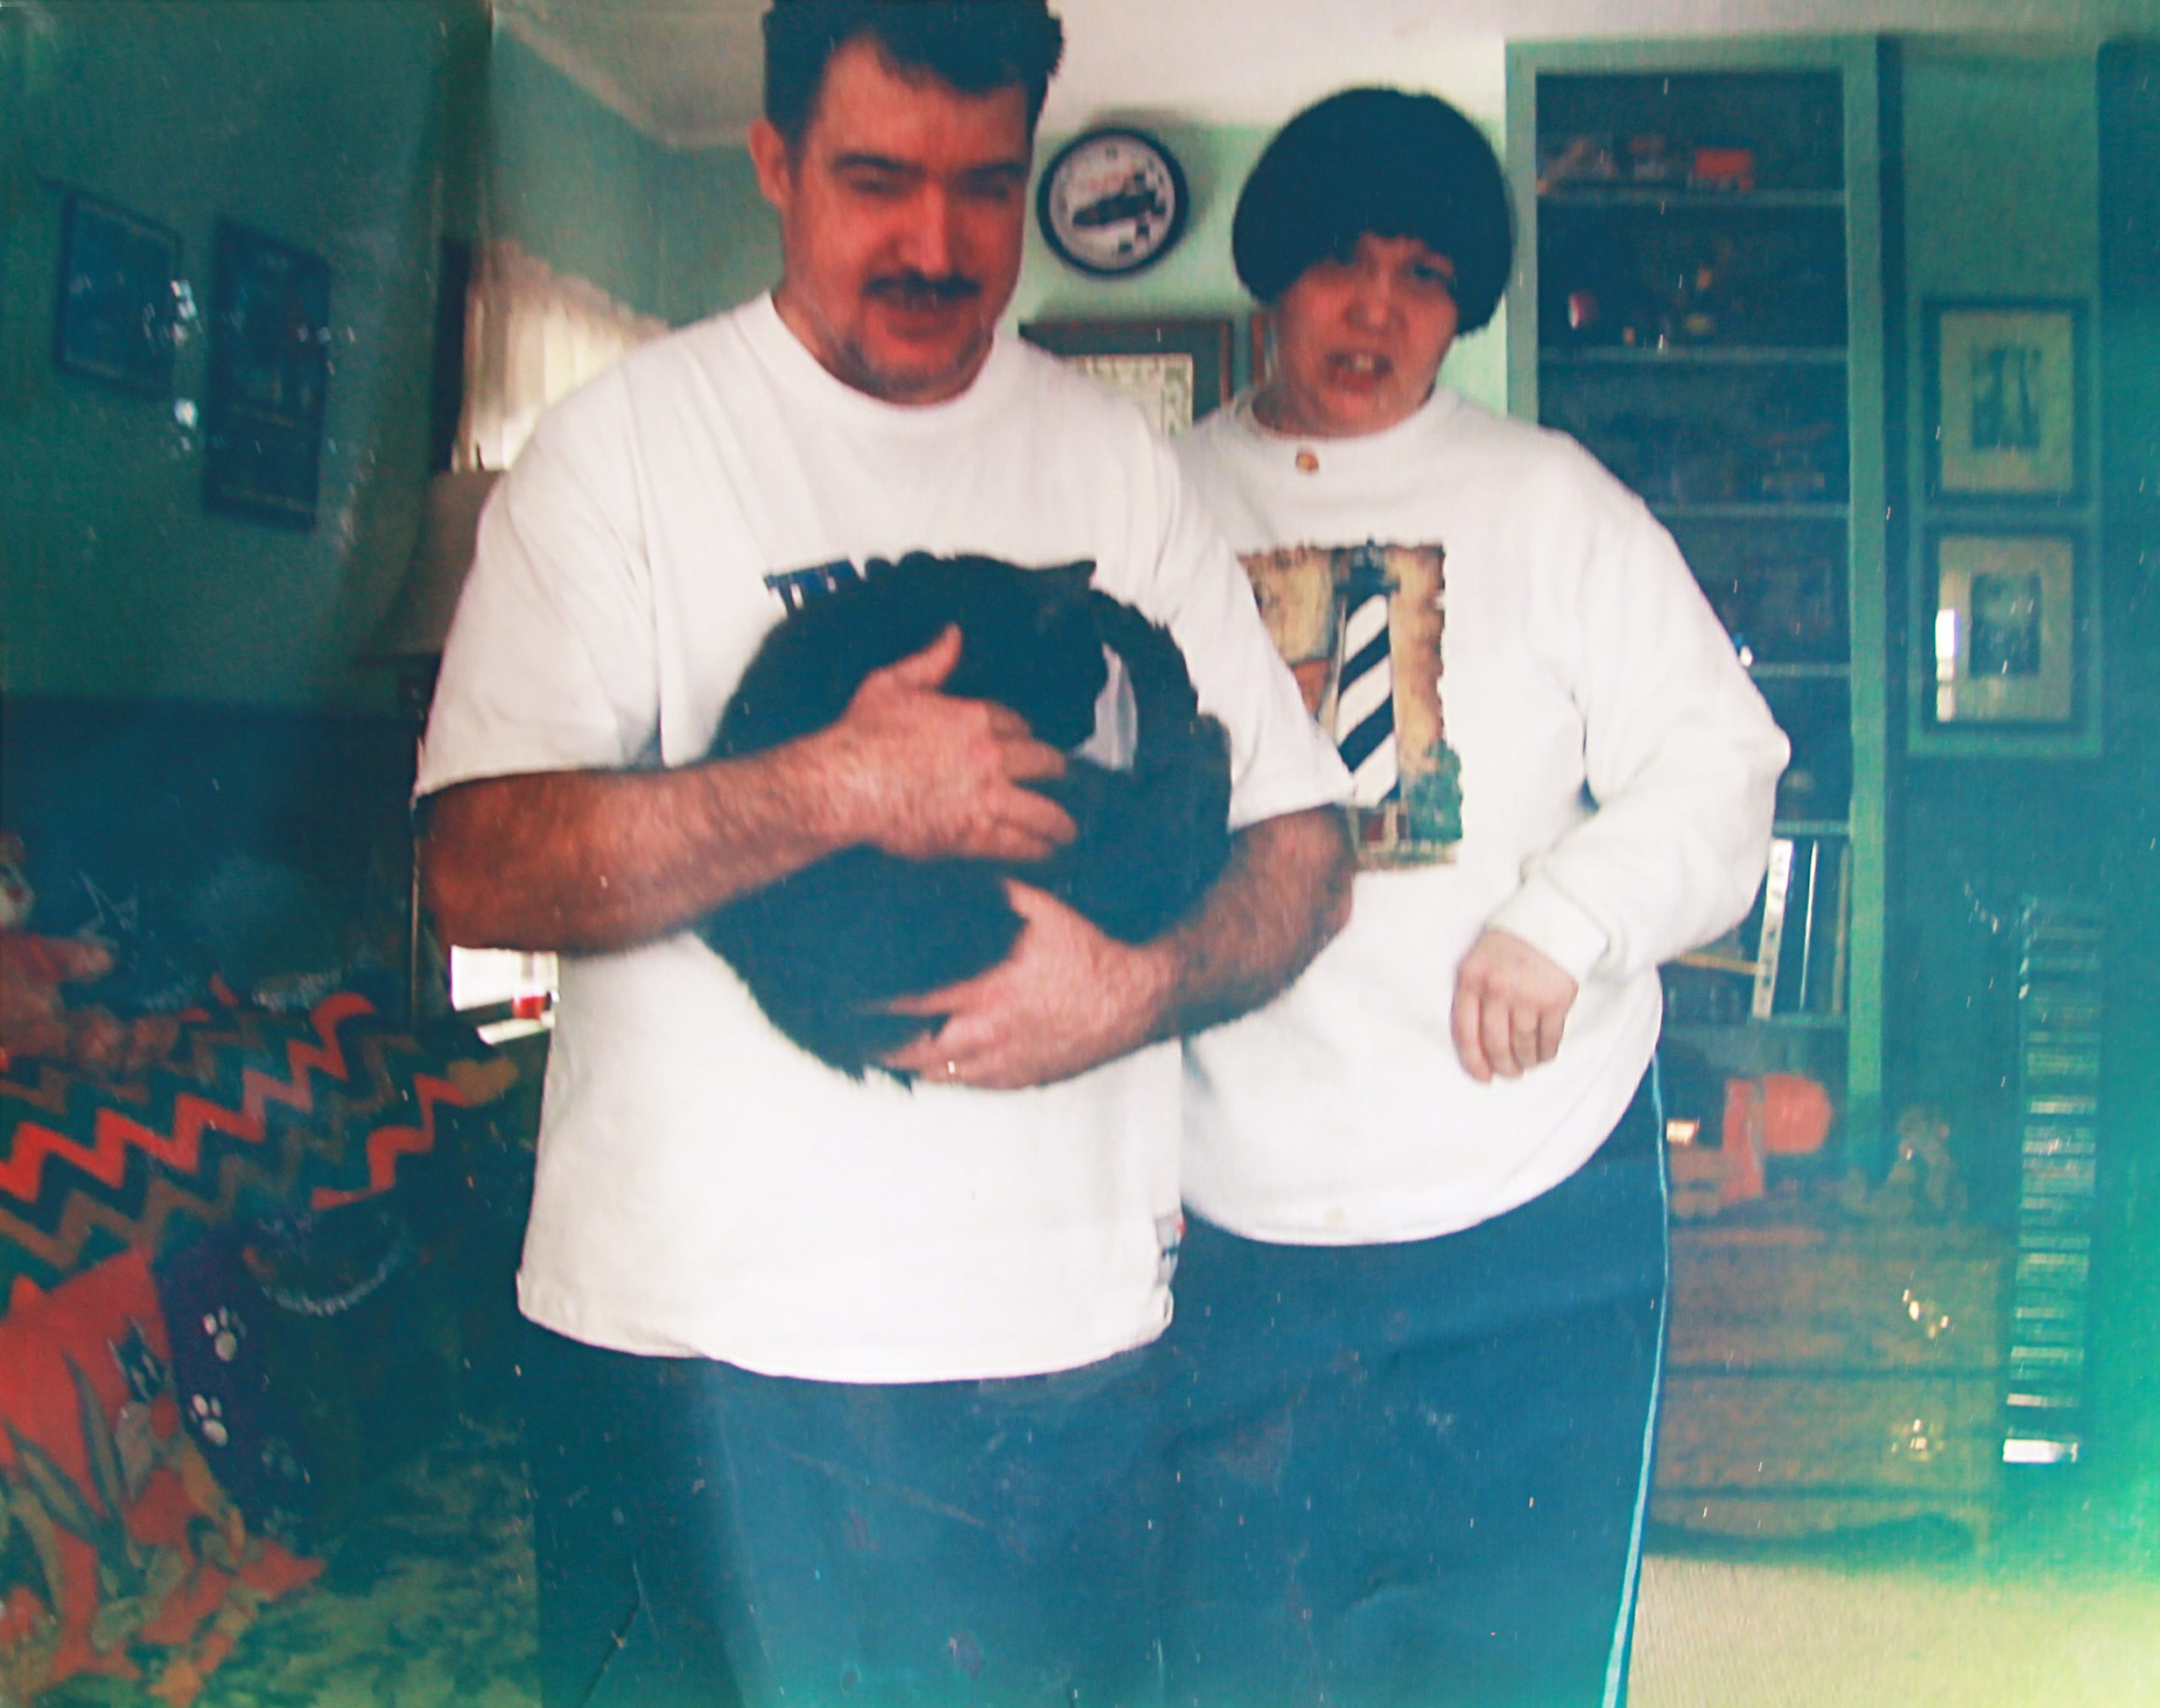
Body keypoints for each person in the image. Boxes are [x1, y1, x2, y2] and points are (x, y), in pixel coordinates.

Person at [414, 4, 1353, 1704]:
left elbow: (1303, 849)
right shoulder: (620, 452)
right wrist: (827, 787)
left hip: (1048, 1355)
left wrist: (1136, 989)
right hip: (686, 1349)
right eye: (873, 180)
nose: (934, 243)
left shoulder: (1114, 467)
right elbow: (477, 867)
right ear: (772, 162)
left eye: (984, 186)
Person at [1161, 88, 1790, 1706]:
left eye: (1428, 276)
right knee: (1240, 1663)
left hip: (1533, 1200)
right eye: (1344, 264)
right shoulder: (1152, 506)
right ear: (1273, 275)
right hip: (1234, 1207)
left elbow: (1723, 764)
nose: (1380, 310)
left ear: (1464, 308)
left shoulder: (1550, 498)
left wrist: (1564, 921)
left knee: (1510, 1664)